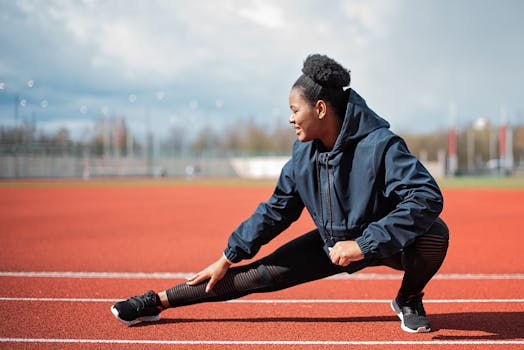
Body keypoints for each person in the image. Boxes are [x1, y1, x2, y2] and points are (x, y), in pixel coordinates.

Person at [111, 54, 449, 333]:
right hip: (332, 245)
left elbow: (426, 197)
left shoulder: (380, 145)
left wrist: (364, 243)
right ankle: (156, 301)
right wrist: (229, 255)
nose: (290, 119)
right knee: (255, 276)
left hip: (384, 241)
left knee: (435, 235)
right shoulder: (303, 156)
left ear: (319, 109)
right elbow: (276, 210)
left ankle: (408, 297)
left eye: (294, 110)